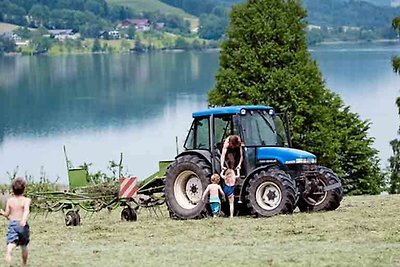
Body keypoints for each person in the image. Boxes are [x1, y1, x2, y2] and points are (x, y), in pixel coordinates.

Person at [0, 178, 31, 267]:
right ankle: (24, 264)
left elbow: (7, 214)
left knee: (11, 243)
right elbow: (26, 210)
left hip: (13, 224)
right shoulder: (26, 200)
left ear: (13, 190)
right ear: (24, 189)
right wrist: (24, 219)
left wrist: (2, 213)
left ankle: (9, 253)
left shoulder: (10, 200)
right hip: (23, 225)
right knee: (24, 246)